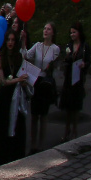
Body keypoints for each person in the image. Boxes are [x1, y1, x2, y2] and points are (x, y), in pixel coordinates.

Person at [0, 30, 27, 166]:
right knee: (1, 125)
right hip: (4, 96)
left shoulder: (18, 57)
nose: (10, 43)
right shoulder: (0, 58)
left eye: (13, 40)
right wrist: (17, 80)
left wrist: (22, 80)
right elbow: (1, 81)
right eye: (8, 40)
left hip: (16, 94)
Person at [25, 22, 60, 151]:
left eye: (48, 29)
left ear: (53, 33)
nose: (45, 31)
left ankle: (41, 143)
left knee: (43, 114)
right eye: (44, 28)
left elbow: (54, 65)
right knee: (34, 114)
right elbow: (27, 55)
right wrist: (23, 43)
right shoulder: (37, 46)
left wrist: (50, 67)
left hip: (46, 81)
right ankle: (33, 143)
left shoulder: (55, 48)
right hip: (36, 80)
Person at [59, 24, 89, 142]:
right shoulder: (69, 46)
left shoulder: (84, 46)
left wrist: (84, 65)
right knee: (67, 106)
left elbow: (88, 61)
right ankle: (67, 129)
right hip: (69, 79)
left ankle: (75, 130)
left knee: (76, 106)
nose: (72, 35)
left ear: (79, 33)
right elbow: (65, 61)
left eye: (74, 32)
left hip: (78, 79)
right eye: (71, 32)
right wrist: (66, 58)